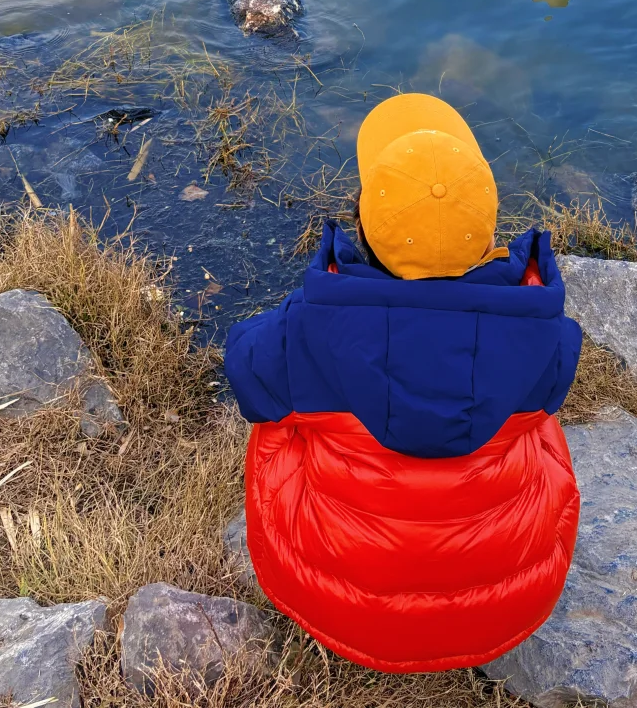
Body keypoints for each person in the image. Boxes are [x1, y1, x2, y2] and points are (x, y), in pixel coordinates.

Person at [224, 92, 582, 673]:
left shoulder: (311, 327)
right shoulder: (547, 330)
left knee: (278, 410)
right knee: (538, 420)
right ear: (487, 231)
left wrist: (300, 312)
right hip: (509, 605)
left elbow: (242, 369)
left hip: (339, 604)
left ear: (366, 225)